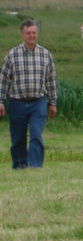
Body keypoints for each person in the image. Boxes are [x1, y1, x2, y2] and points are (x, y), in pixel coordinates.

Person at [0, 18, 58, 169]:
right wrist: (1, 101)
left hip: (38, 102)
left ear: (37, 34)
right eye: (28, 33)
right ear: (22, 35)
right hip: (17, 102)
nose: (31, 35)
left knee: (36, 134)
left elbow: (51, 80)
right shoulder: (12, 55)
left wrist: (52, 102)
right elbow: (4, 80)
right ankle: (19, 165)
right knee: (18, 137)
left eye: (34, 32)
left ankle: (34, 166)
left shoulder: (46, 55)